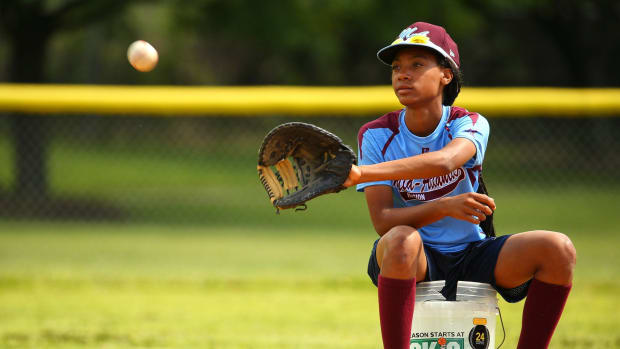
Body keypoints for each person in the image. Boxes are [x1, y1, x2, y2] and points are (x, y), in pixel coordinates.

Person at [343, 22, 576, 349]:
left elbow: (446, 161)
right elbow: (383, 221)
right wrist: (443, 207)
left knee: (558, 249)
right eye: (397, 67)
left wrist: (361, 174)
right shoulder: (377, 134)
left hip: (474, 254)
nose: (402, 74)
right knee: (400, 241)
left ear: (446, 75)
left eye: (417, 65)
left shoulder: (469, 122)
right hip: (417, 258)